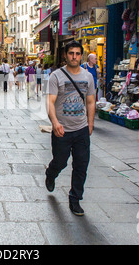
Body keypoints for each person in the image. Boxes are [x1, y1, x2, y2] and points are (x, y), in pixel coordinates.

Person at [45, 41, 96, 217]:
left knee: (81, 165)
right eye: (71, 53)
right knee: (60, 161)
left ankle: (75, 199)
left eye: (77, 53)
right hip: (62, 129)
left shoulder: (88, 77)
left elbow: (90, 101)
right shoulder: (56, 76)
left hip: (81, 129)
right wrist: (55, 122)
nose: (74, 56)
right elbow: (50, 102)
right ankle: (51, 173)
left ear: (81, 55)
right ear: (65, 55)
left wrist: (90, 123)